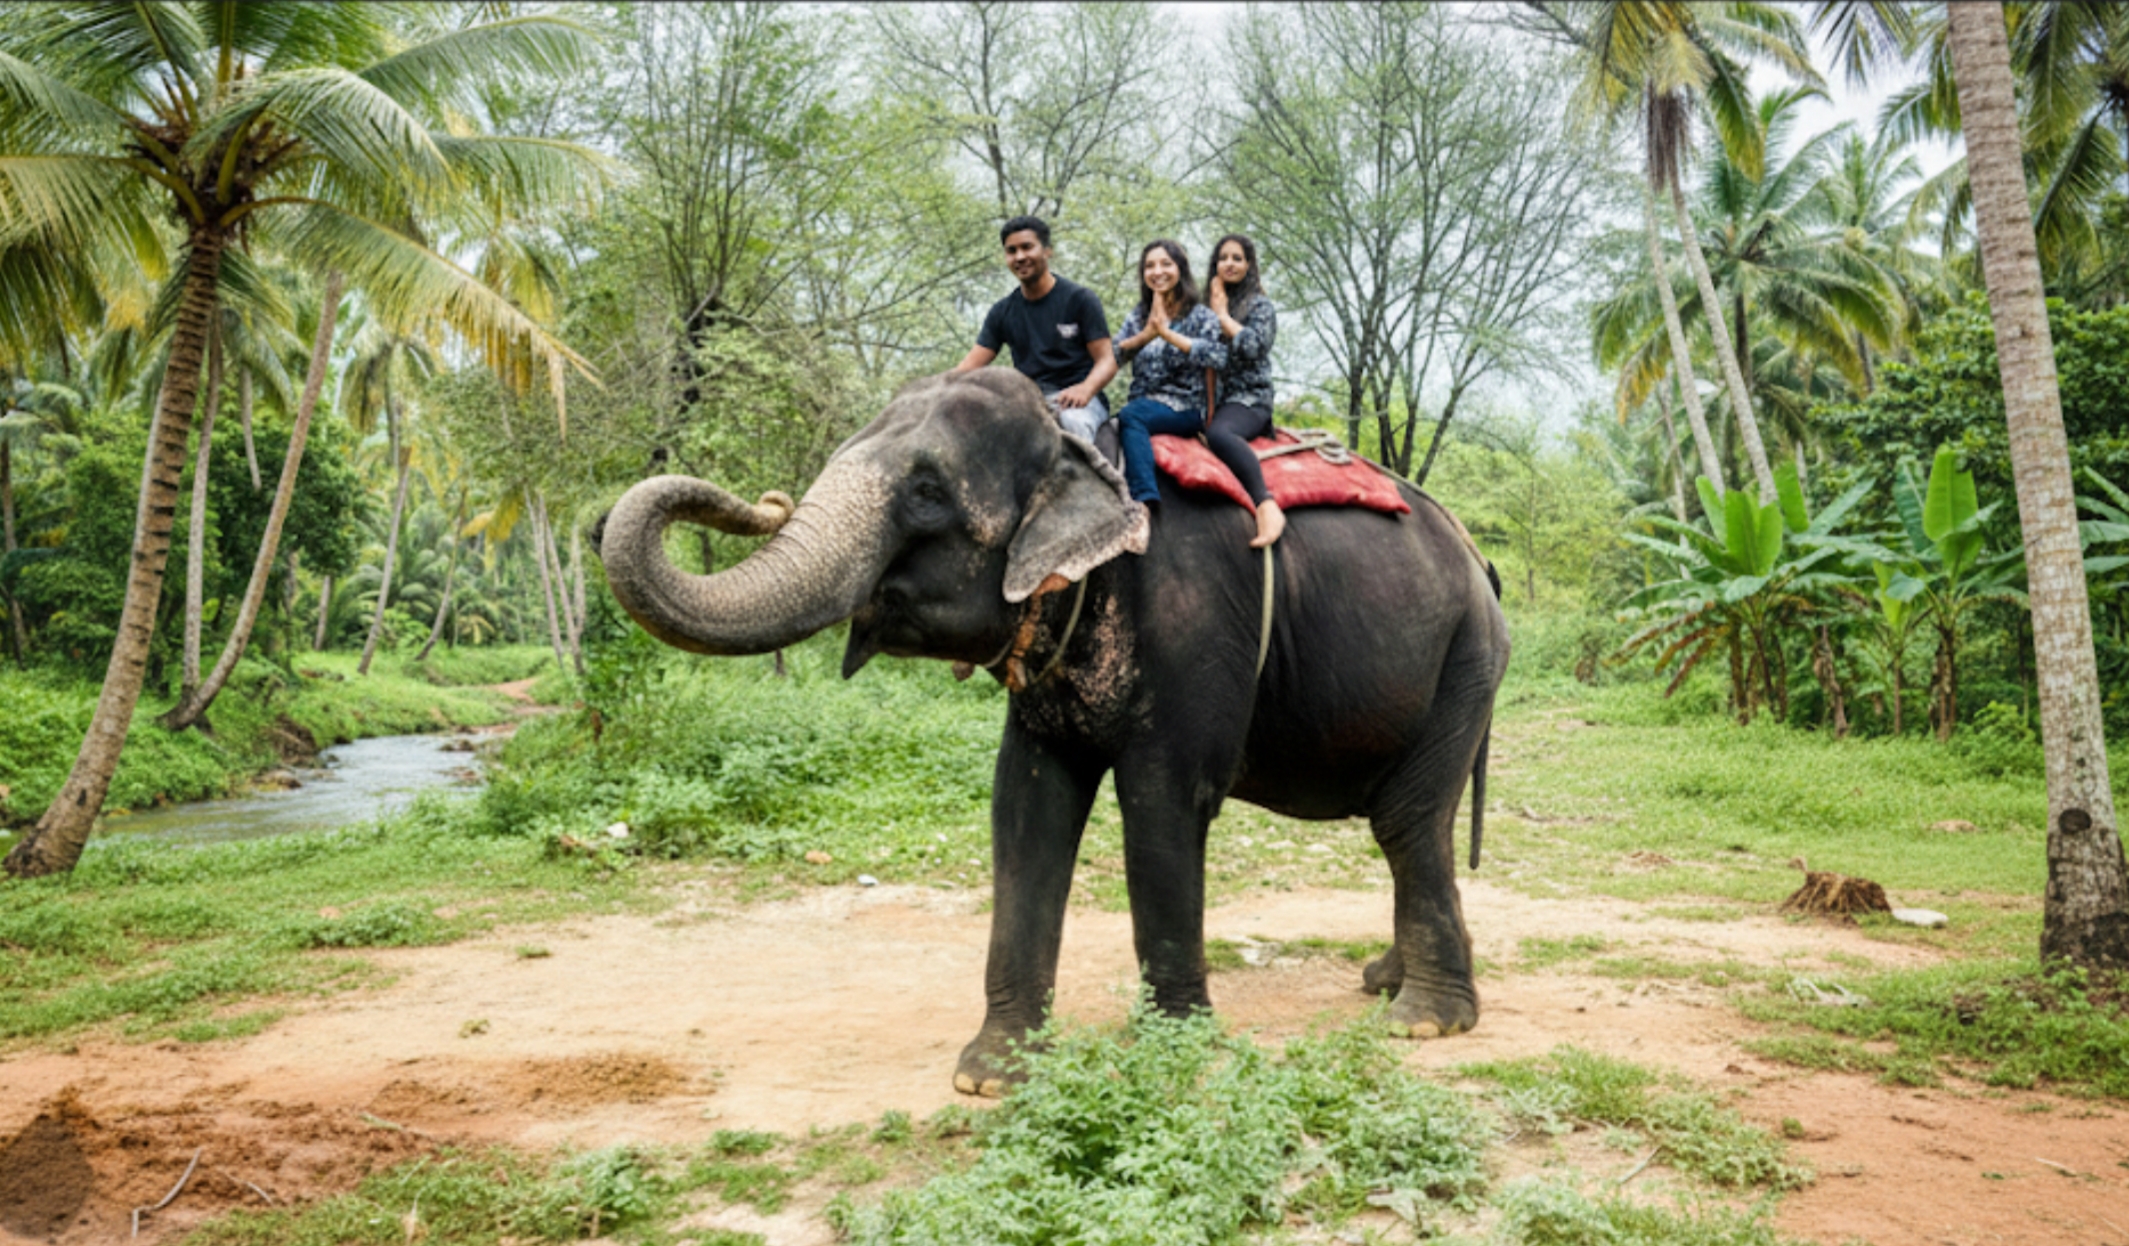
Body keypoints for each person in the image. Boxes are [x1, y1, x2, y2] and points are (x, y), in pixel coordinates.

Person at [953, 215, 1119, 449]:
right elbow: (967, 368)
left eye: (1027, 247)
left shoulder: (1080, 300)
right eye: (1012, 251)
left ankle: (1097, 485)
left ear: (1047, 250)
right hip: (1029, 404)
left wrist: (1086, 388)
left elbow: (1107, 360)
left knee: (1072, 423)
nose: (1020, 257)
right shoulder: (1002, 312)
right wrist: (930, 393)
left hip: (1080, 403)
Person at [1112, 239, 1224, 510]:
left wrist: (1168, 335)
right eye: (1149, 266)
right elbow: (1112, 355)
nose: (1157, 271)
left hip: (1185, 406)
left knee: (1131, 416)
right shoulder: (1139, 316)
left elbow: (1217, 356)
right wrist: (1145, 336)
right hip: (1143, 401)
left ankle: (1143, 499)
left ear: (1180, 270)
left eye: (1166, 264)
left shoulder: (1200, 316)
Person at [1206, 233, 1285, 547]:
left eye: (1237, 258)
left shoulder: (1260, 306)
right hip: (1212, 399)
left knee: (1220, 436)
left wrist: (1223, 317)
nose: (1229, 264)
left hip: (1248, 398)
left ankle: (1265, 503)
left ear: (1249, 265)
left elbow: (1254, 346)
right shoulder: (1207, 304)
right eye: (1223, 258)